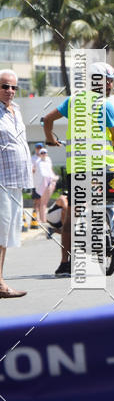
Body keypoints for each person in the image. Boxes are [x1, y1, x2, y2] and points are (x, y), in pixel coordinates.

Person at [44, 61, 114, 275]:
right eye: (107, 80)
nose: (111, 84)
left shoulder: (72, 101)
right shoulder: (105, 105)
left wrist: (50, 139)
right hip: (107, 169)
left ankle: (65, 263)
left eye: (112, 80)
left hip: (79, 171)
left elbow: (47, 119)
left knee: (72, 214)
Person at [0, 69, 32, 297]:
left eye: (13, 87)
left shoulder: (16, 111)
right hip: (1, 180)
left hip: (16, 181)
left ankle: (0, 281)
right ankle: (0, 285)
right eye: (4, 86)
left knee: (6, 235)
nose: (10, 91)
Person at [32, 147, 57, 224]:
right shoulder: (37, 161)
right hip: (40, 184)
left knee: (44, 202)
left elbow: (50, 171)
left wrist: (54, 178)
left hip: (49, 183)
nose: (43, 154)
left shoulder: (48, 161)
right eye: (41, 153)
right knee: (39, 202)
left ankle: (42, 219)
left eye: (44, 152)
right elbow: (36, 172)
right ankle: (40, 219)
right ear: (39, 153)